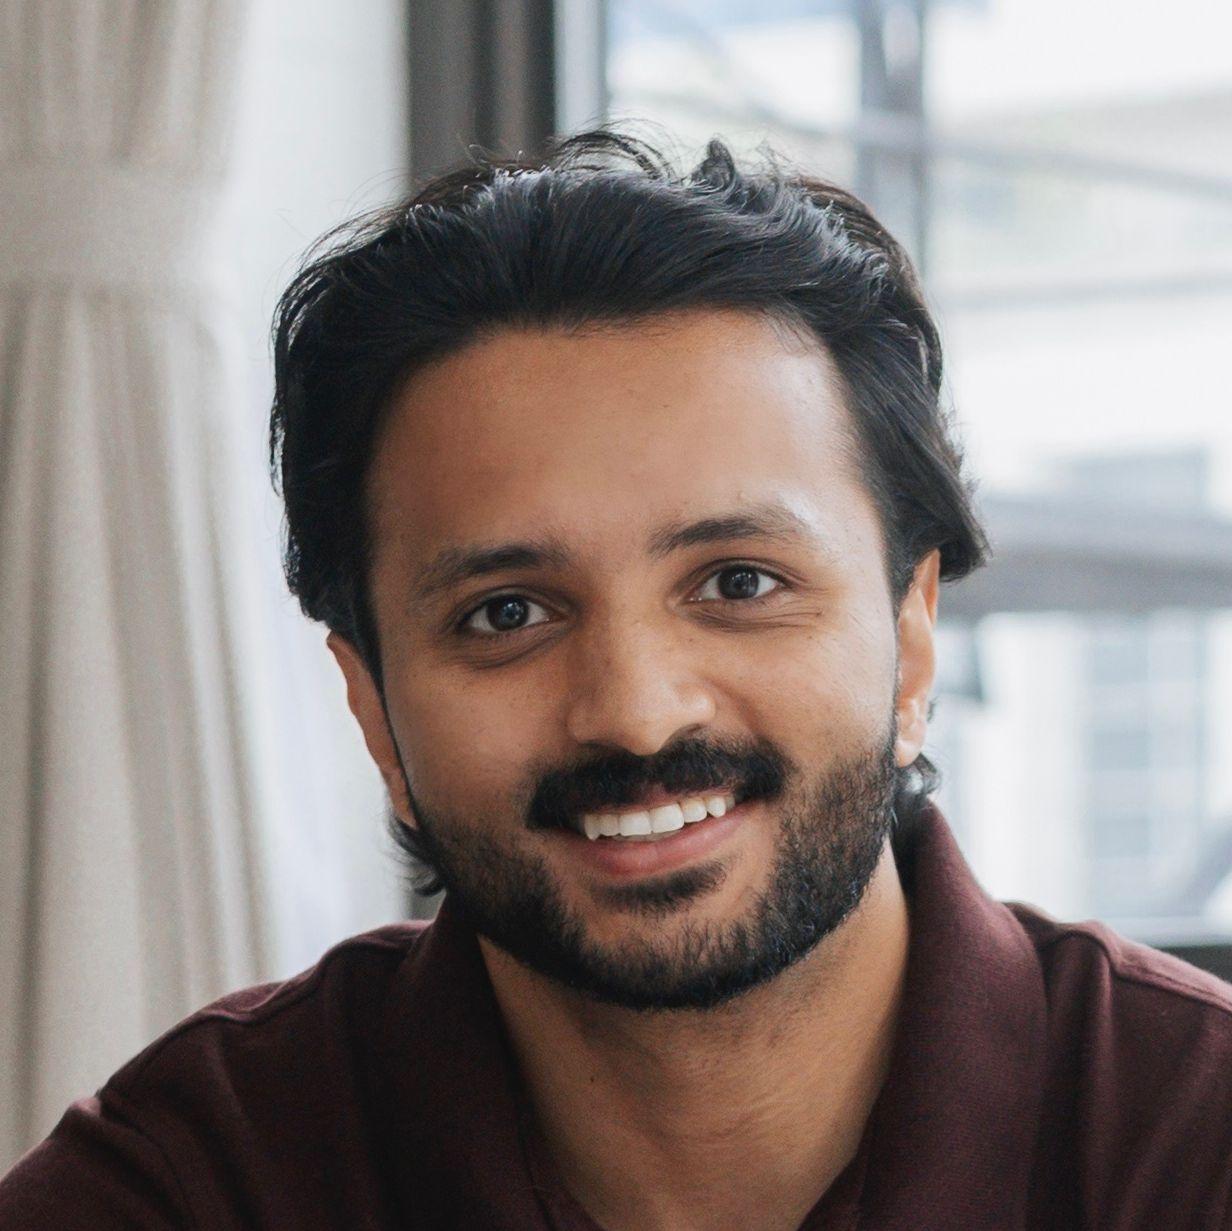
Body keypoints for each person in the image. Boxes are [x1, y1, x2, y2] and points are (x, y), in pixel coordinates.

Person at [3, 130, 1231, 1230]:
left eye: (737, 582)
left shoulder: (1189, 1139)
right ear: (372, 709)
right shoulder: (193, 1180)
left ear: (910, 640)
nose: (636, 712)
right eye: (506, 613)